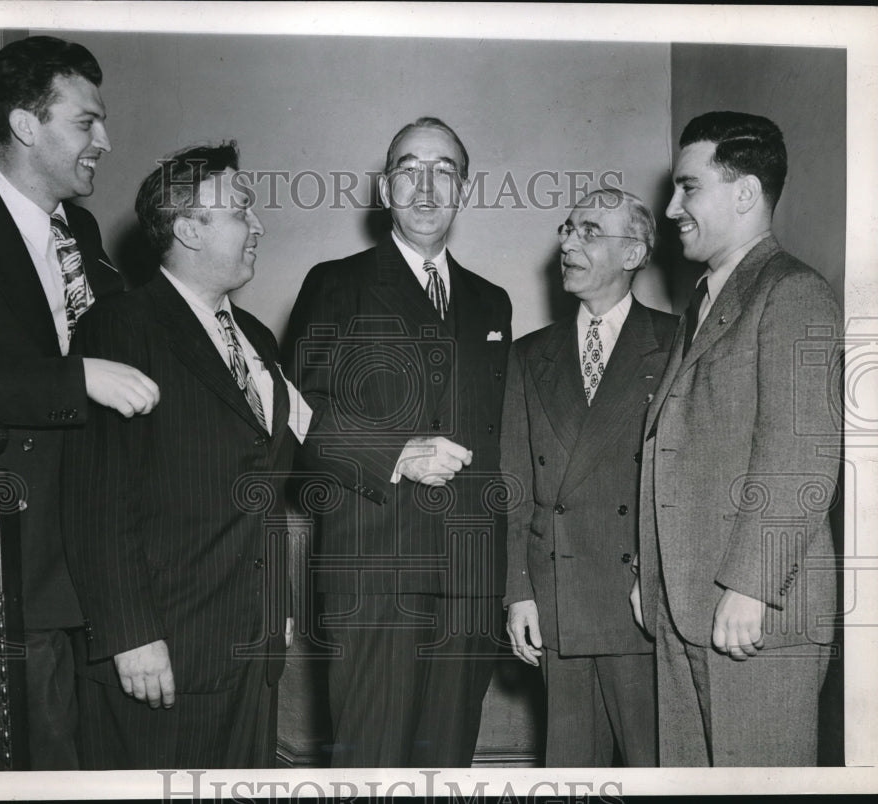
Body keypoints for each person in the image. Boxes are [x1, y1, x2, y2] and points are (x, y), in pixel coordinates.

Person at [0, 35, 159, 769]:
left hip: (99, 550)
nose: (106, 142)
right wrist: (76, 378)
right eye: (88, 122)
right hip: (20, 562)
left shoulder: (80, 232)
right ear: (27, 125)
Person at [284, 117, 512, 767]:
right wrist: (396, 453)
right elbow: (296, 418)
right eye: (409, 170)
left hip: (469, 580)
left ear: (463, 190)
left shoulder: (491, 303)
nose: (426, 186)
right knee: (370, 767)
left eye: (444, 171)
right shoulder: (336, 283)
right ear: (386, 188)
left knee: (448, 766)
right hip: (374, 574)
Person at [61, 143, 297, 769]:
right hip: (160, 656)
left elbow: (288, 456)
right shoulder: (119, 328)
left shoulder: (257, 340)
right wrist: (131, 635)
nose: (259, 224)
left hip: (251, 651)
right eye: (242, 209)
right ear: (189, 228)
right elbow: (95, 499)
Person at [630, 111, 842, 766]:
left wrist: (751, 586)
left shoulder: (794, 293)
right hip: (687, 604)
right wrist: (651, 572)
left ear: (744, 193)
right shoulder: (709, 301)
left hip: (753, 614)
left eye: (688, 188)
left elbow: (801, 452)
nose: (671, 208)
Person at [503, 189, 676, 766]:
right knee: (571, 775)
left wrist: (656, 579)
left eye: (590, 232)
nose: (568, 243)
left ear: (633, 253)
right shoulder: (529, 355)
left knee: (654, 771)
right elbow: (514, 483)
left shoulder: (679, 343)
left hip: (642, 606)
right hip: (560, 600)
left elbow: (681, 485)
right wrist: (519, 592)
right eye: (567, 228)